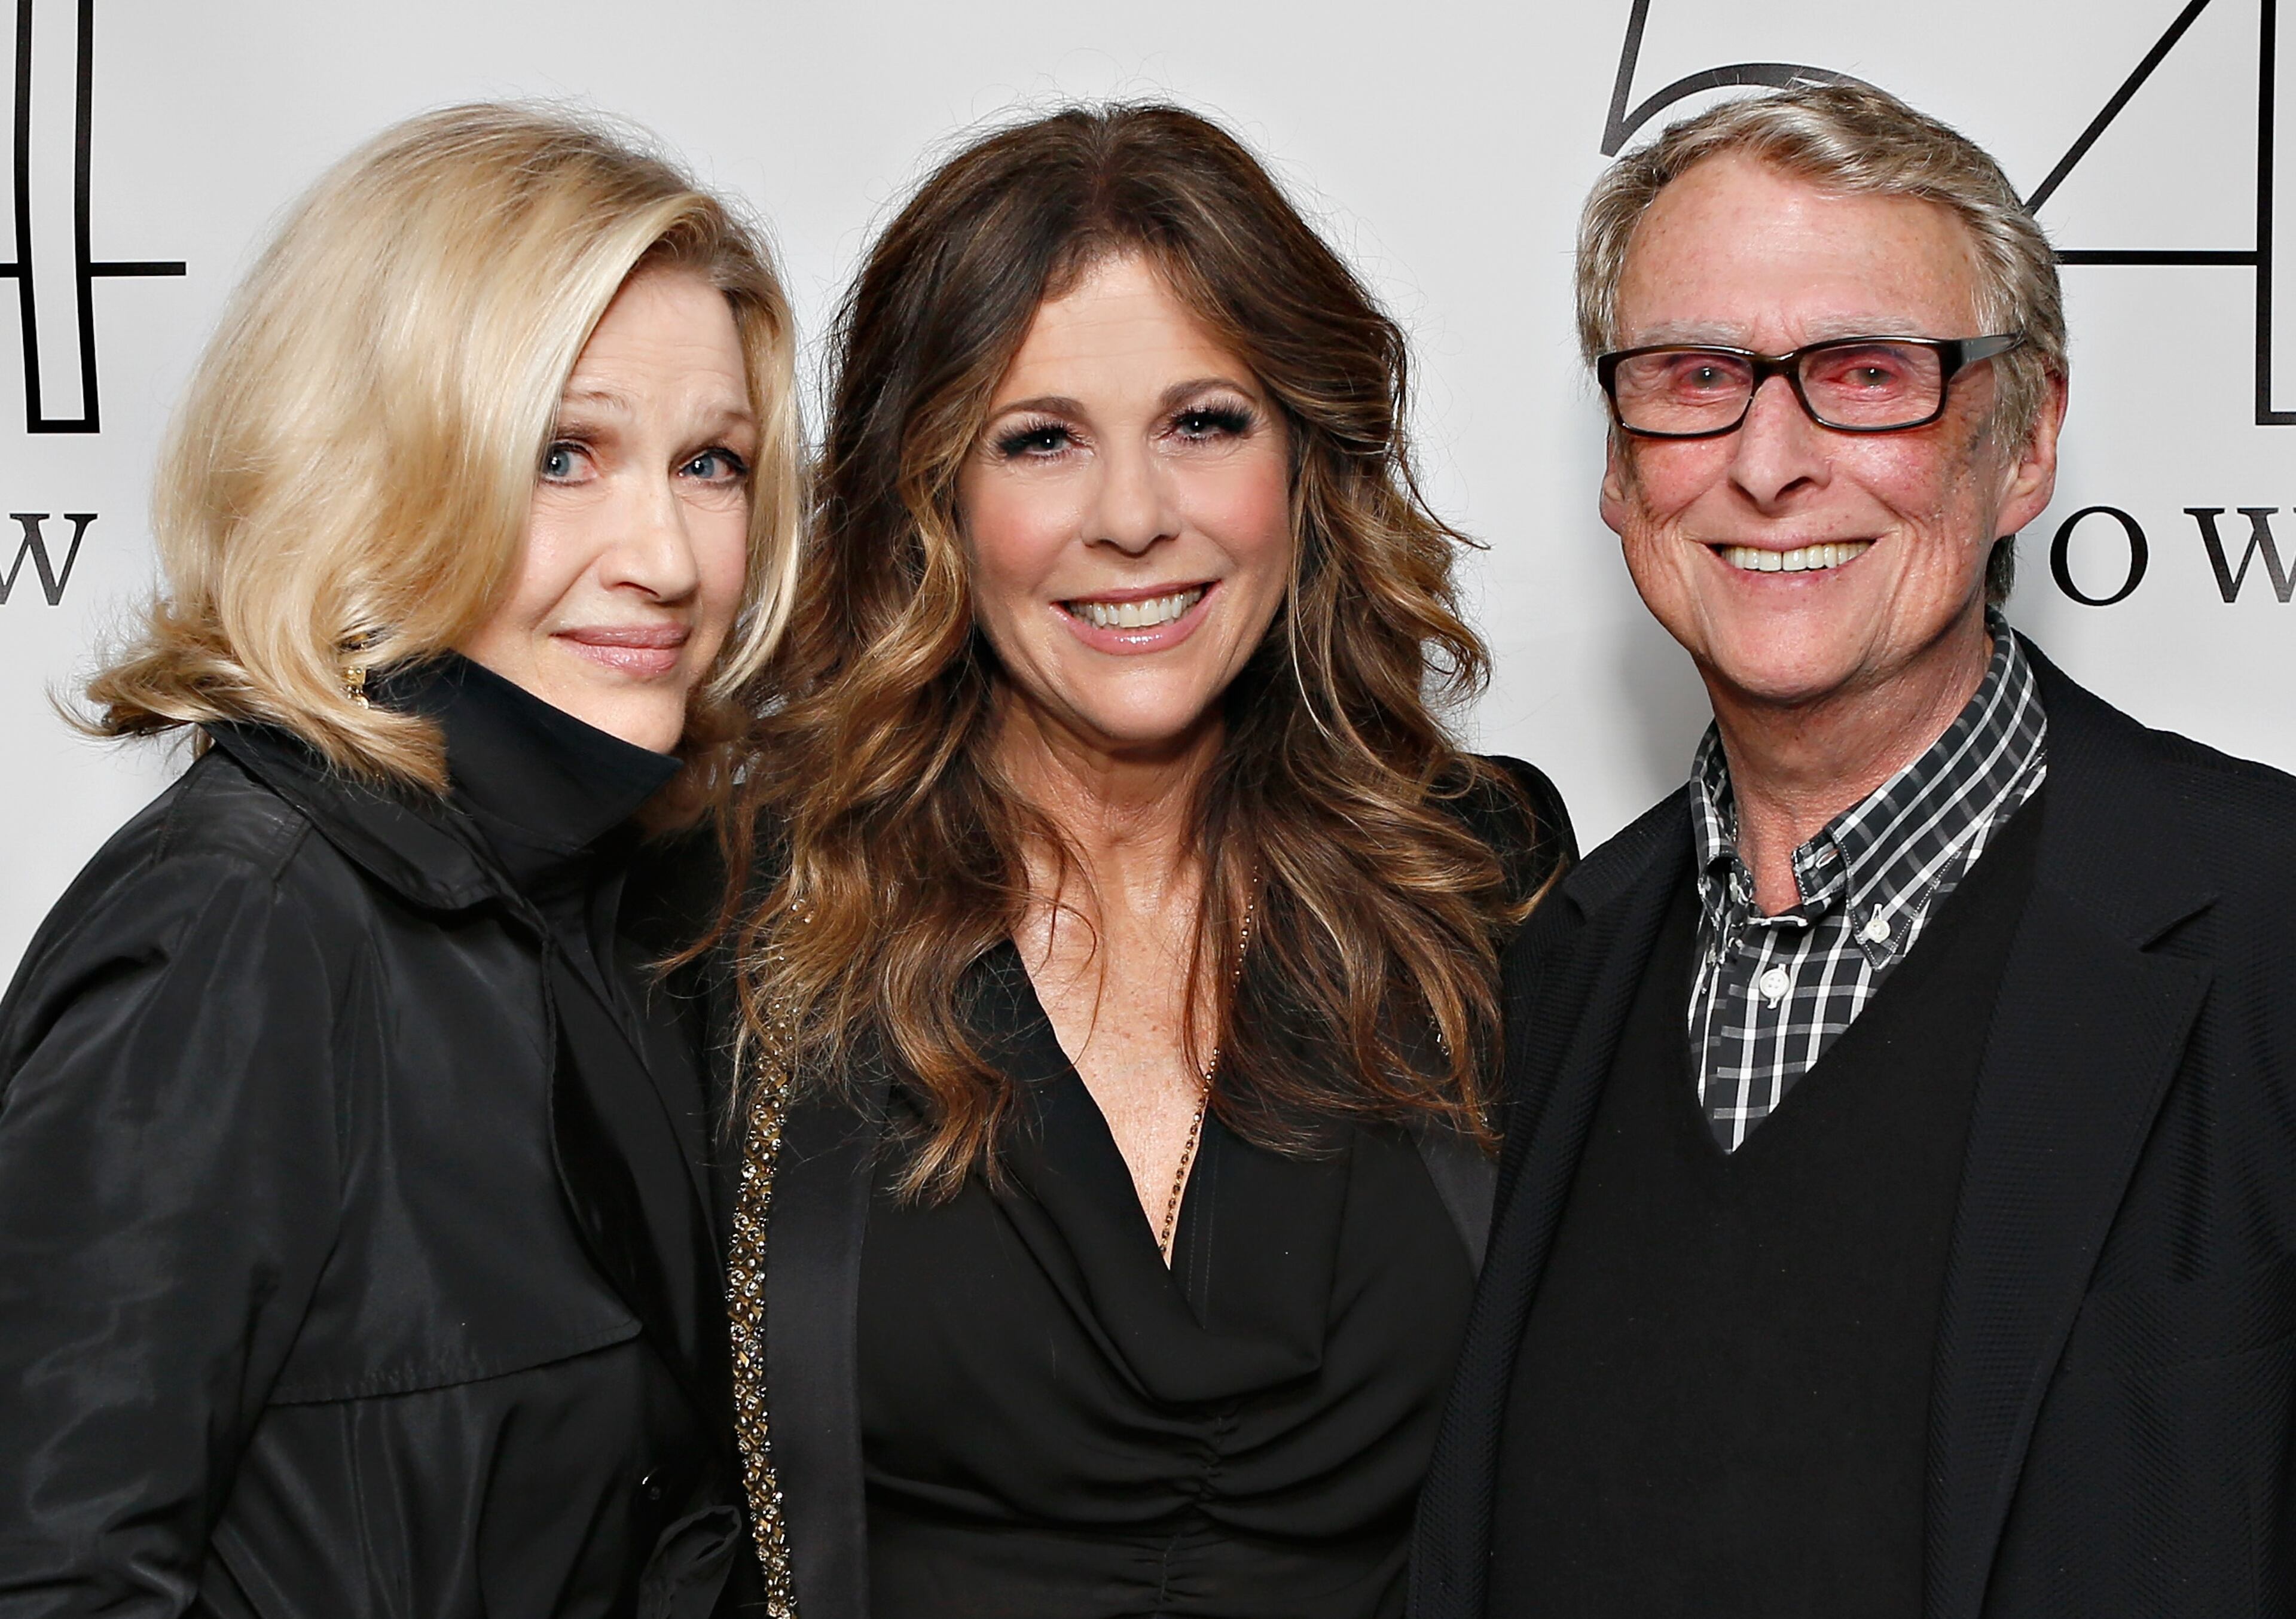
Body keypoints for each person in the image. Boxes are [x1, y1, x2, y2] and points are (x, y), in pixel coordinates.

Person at [1410, 82, 2296, 1619]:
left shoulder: (2271, 924)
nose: (1769, 462)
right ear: (1620, 466)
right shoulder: (1527, 969)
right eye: (1697, 376)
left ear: (2026, 440)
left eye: (1868, 375)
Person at [708, 103, 1571, 1619]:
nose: (1132, 519)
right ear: (930, 494)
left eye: (1203, 423)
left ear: (1306, 460)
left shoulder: (1482, 878)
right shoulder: (747, 916)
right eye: (1040, 440)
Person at [0, 103, 802, 1618]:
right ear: (372, 471)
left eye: (711, 462)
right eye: (562, 455)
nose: (668, 558)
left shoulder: (645, 899)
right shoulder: (235, 929)